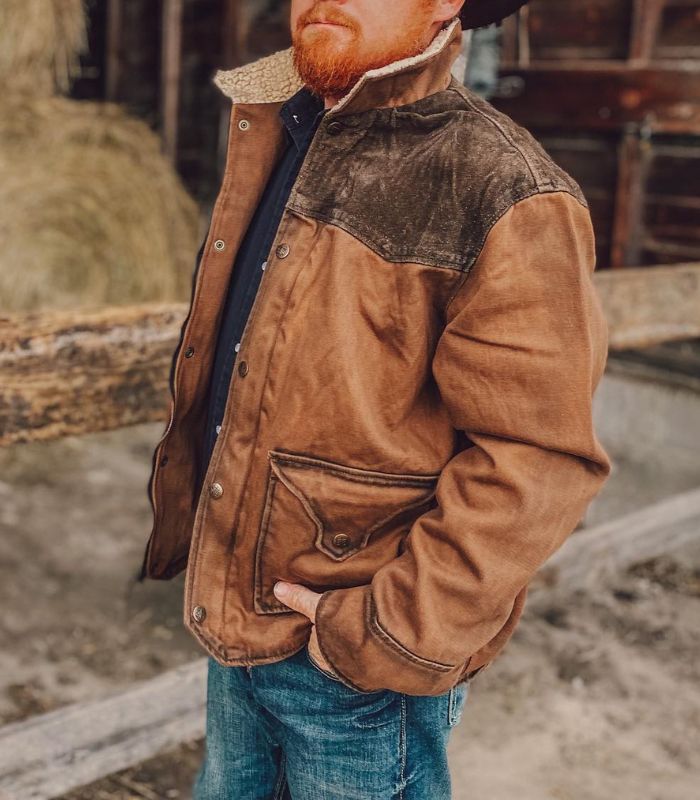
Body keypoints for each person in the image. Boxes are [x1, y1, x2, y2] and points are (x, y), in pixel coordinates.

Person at [138, 1, 612, 797]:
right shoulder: (284, 126)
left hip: (358, 660)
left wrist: (386, 632)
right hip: (240, 614)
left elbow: (538, 458)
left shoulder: (501, 185)